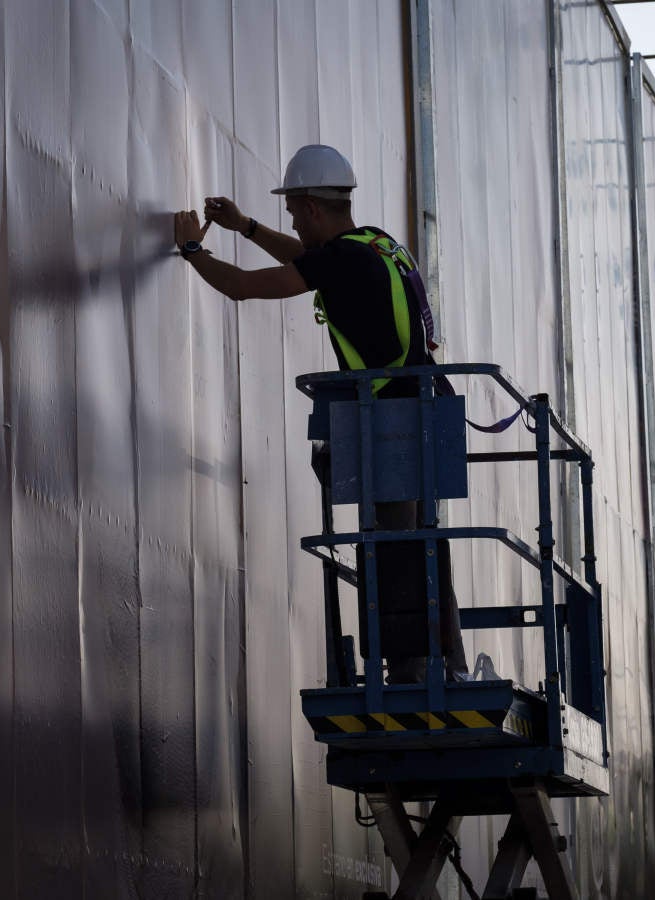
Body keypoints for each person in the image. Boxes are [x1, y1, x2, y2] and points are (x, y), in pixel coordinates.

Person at [173, 144, 467, 683]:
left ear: (311, 207)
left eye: (293, 212)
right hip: (425, 409)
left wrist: (194, 250)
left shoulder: (342, 260)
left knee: (396, 544)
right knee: (420, 539)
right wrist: (247, 227)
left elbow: (242, 287)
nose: (292, 222)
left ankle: (413, 672)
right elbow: (310, 261)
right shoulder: (375, 244)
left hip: (392, 420)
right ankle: (448, 665)